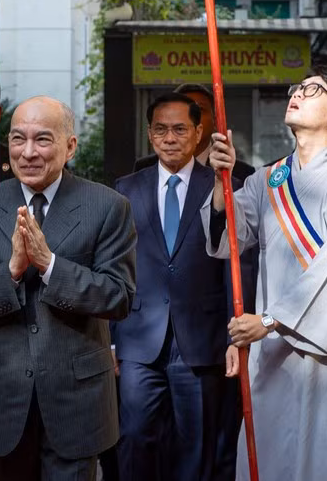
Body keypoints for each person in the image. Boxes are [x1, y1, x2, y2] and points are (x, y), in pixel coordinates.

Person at [205, 65, 327, 481]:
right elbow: (230, 238)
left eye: (312, 90)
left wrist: (268, 321)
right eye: (297, 87)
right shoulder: (269, 178)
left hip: (325, 348)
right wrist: (221, 182)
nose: (298, 94)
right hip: (269, 349)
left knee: (322, 460)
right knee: (265, 459)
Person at [0, 96, 136, 480]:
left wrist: (50, 265)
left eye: (43, 140)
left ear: (70, 147)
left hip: (77, 398)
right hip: (1, 397)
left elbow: (118, 296)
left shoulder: (107, 206)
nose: (28, 152)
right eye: (18, 139)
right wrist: (12, 270)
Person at [112, 93, 245, 480]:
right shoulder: (125, 188)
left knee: (197, 442)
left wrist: (235, 334)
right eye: (160, 129)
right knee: (135, 437)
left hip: (202, 340)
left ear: (198, 132)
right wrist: (111, 338)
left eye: (180, 129)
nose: (170, 137)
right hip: (138, 340)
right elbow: (113, 265)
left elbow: (234, 263)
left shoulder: (224, 185)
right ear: (150, 135)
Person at [133, 83, 254, 182]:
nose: (191, 117)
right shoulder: (145, 167)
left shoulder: (239, 172)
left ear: (216, 121)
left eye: (199, 110)